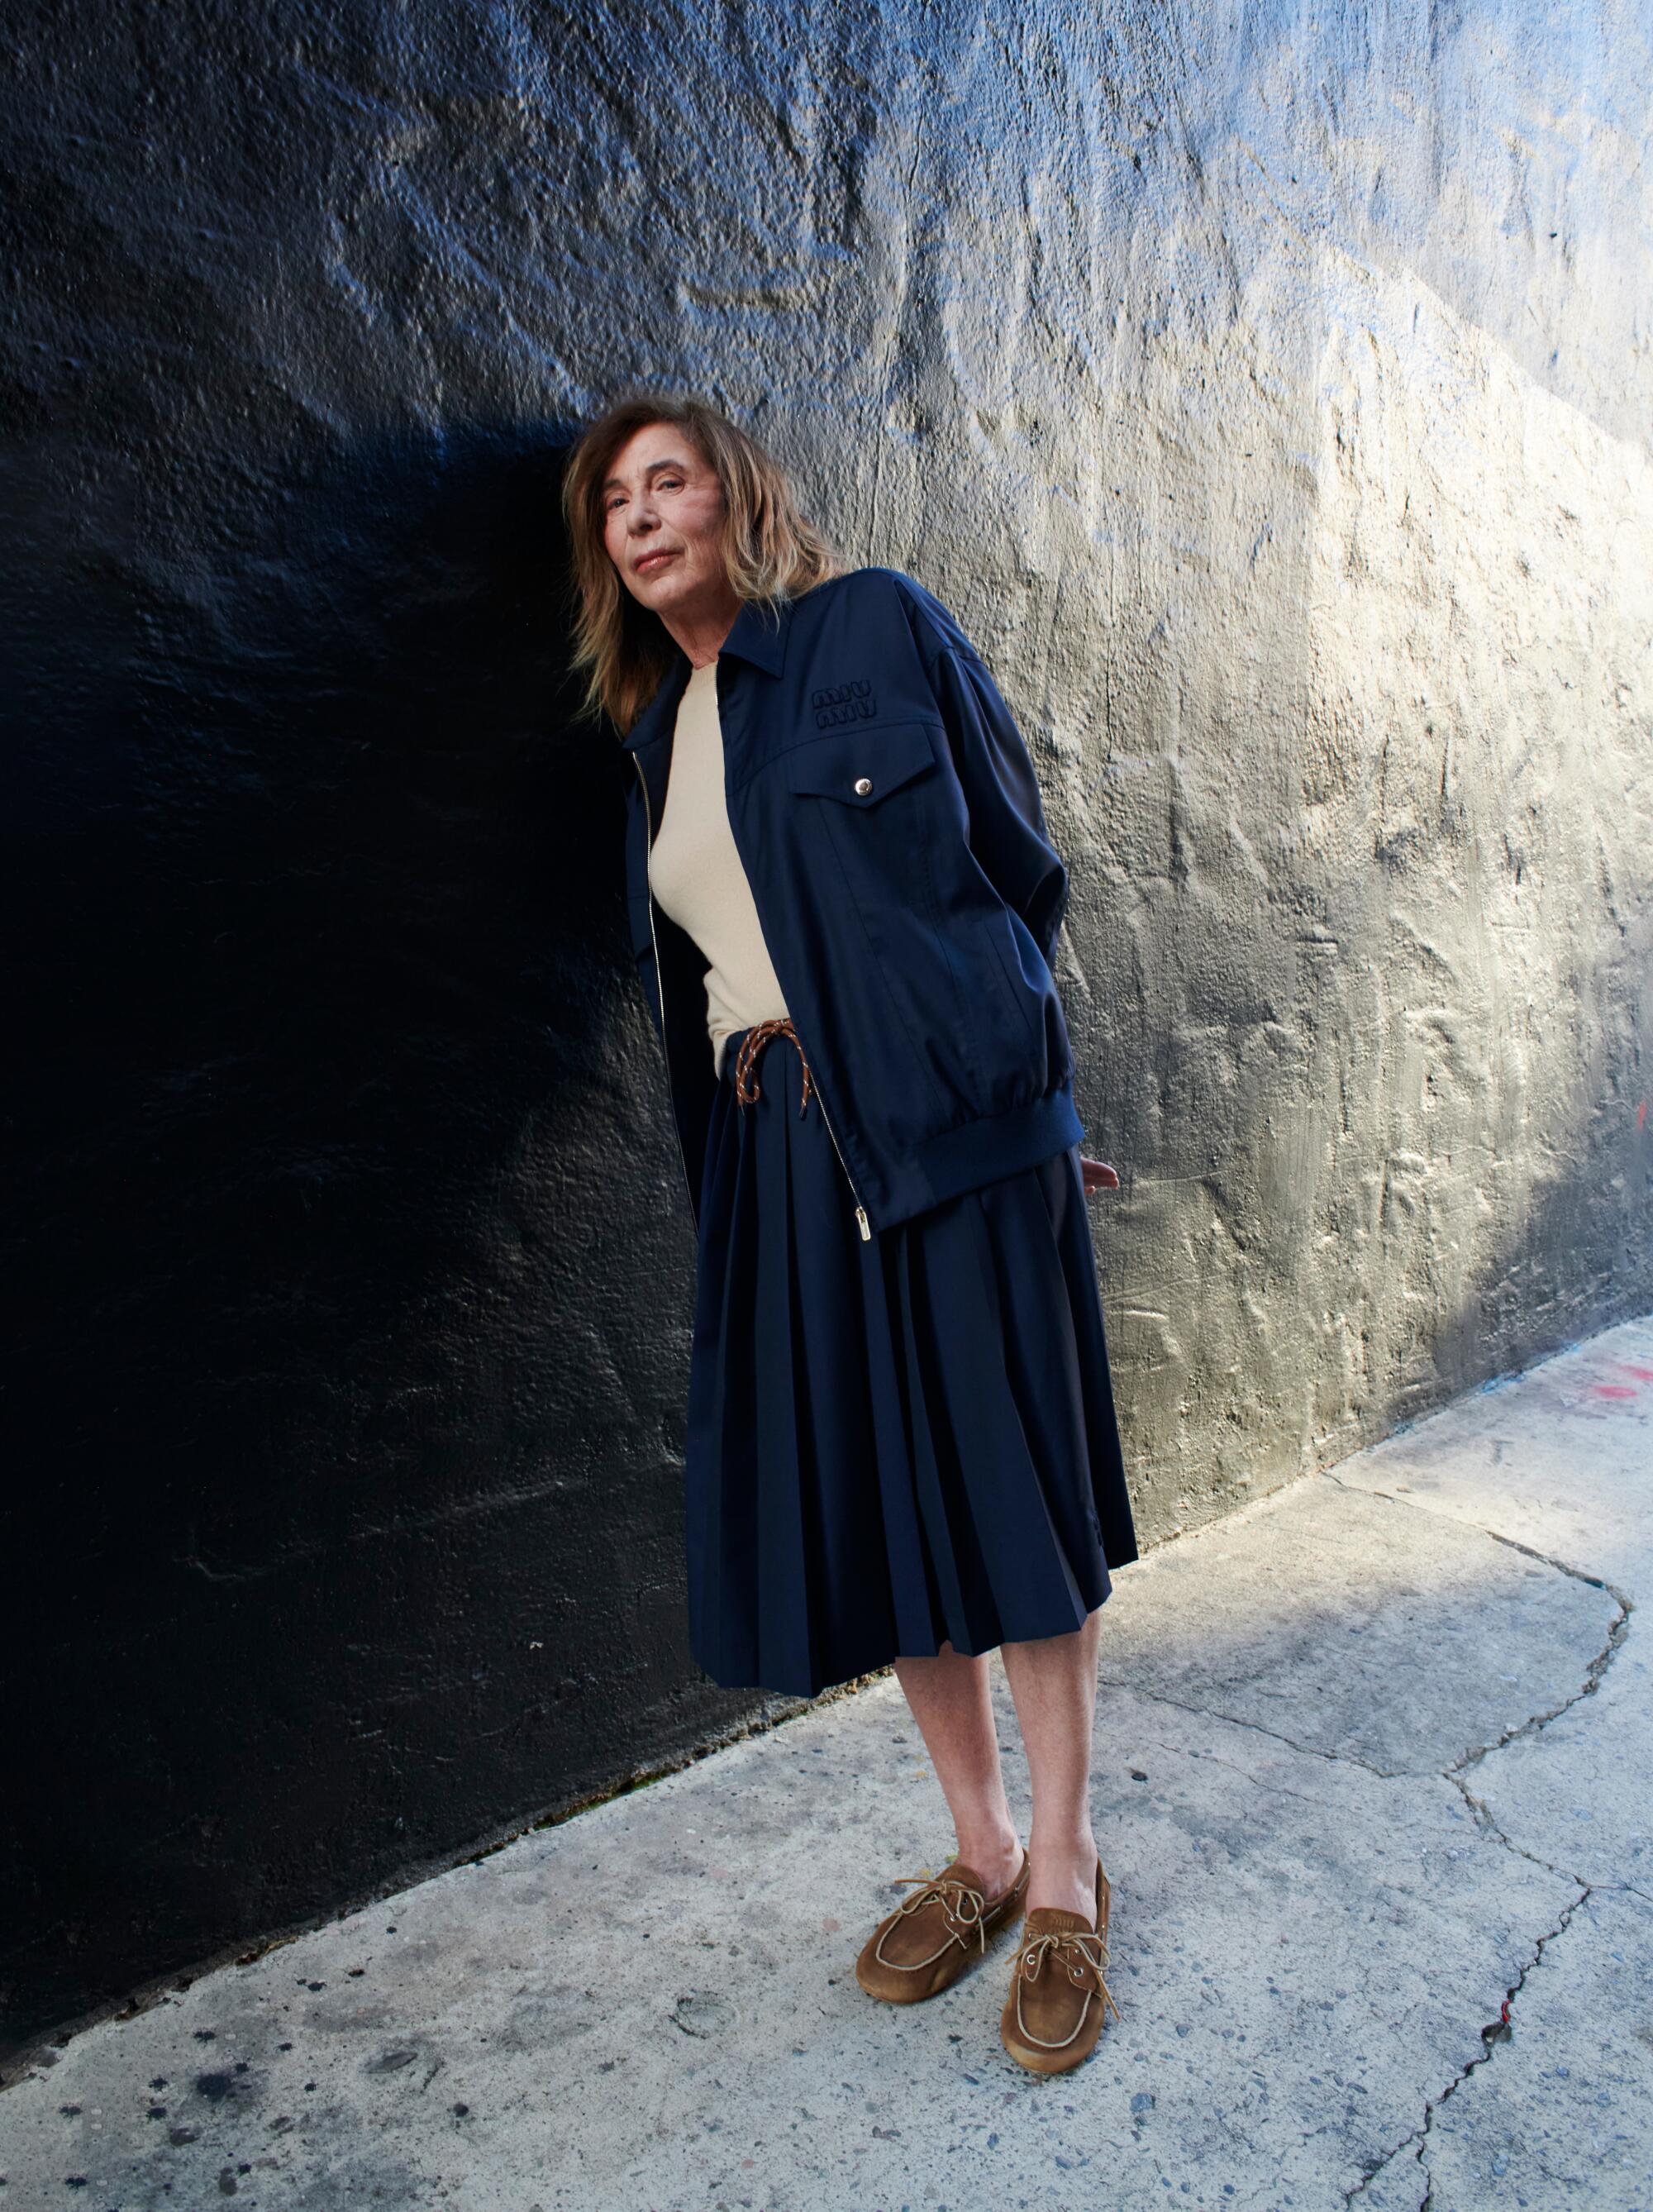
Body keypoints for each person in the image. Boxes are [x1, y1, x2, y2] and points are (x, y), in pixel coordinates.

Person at [560, 392, 1141, 2075]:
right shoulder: (656, 742)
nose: (643, 515)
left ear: (737, 496)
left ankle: (1064, 1872)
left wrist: (1016, 1101)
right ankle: (973, 1849)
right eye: (613, 502)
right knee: (888, 1517)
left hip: (947, 1142)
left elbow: (1015, 873)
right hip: (778, 1158)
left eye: (670, 481)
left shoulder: (872, 627)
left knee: (1011, 1507)